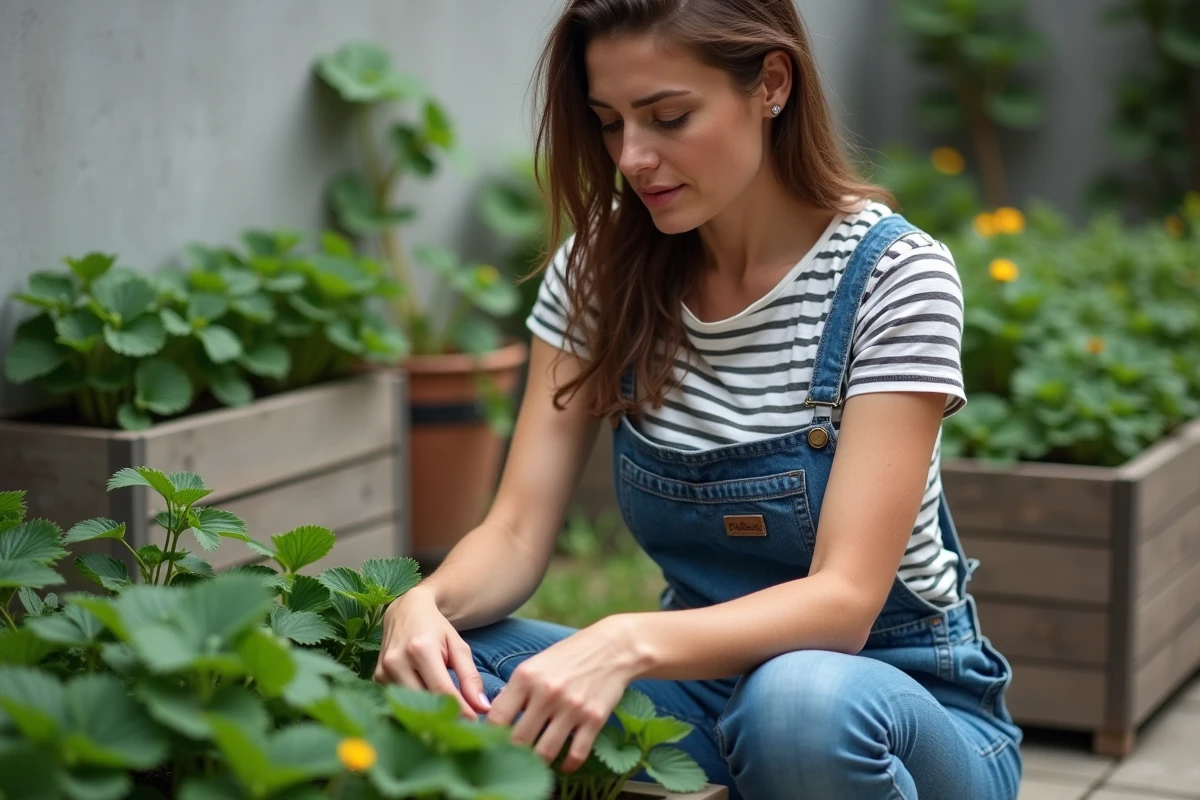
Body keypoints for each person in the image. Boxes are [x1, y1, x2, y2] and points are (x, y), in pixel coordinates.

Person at [375, 1, 1023, 797]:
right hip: (703, 696)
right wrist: (424, 602)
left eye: (669, 116)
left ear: (771, 84)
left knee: (797, 706)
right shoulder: (599, 269)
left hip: (899, 707)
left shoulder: (893, 279)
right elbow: (514, 530)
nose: (634, 158)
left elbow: (845, 600)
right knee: (446, 664)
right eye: (610, 123)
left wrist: (621, 640)